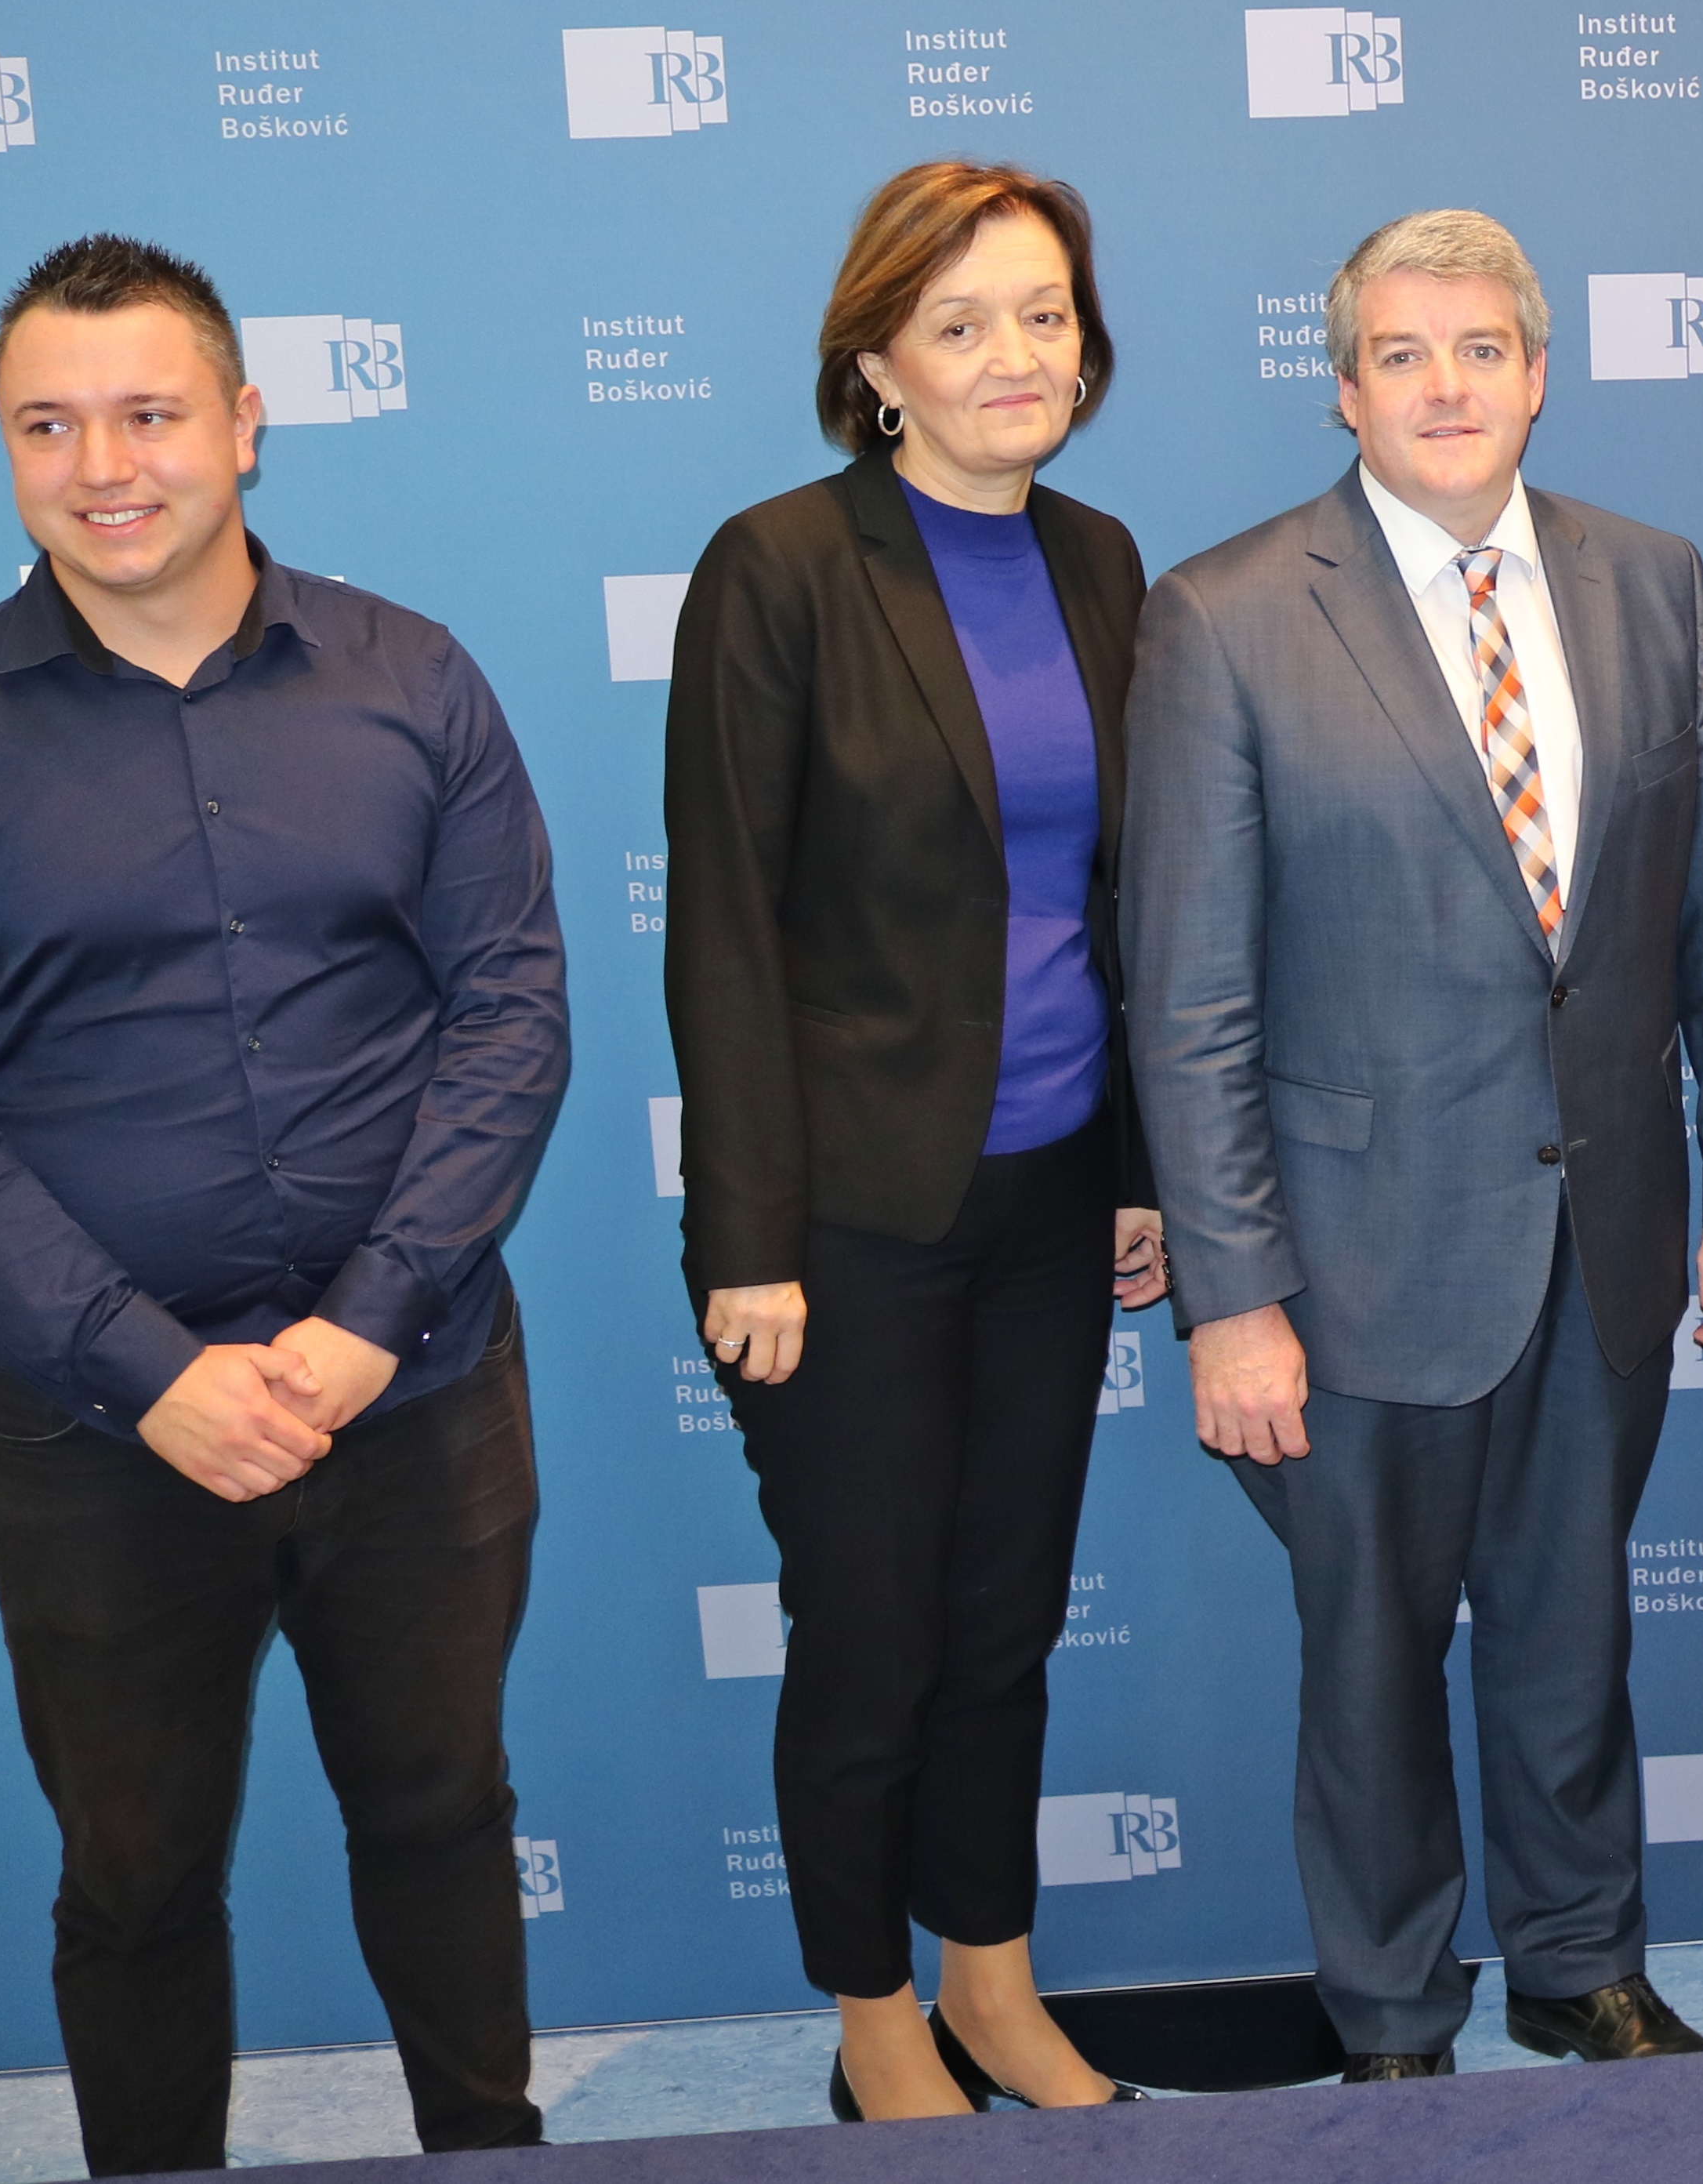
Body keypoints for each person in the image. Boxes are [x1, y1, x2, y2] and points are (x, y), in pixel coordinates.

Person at [0, 236, 569, 2175]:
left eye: (148, 413)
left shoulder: (415, 678)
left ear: (243, 422)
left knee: (442, 1814)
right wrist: (149, 1369)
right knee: (134, 1872)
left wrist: (369, 1319)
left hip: (412, 1392)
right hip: (98, 1431)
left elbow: (509, 1015)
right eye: (47, 424)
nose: (102, 465)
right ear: (5, 444)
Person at [1125, 209, 1703, 2078]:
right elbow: (1190, 999)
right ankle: (1395, 2013)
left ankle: (1582, 1965)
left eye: (1481, 347)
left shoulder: (1652, 581)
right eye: (1402, 354)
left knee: (1575, 1638)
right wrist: (1231, 1297)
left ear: (1539, 372)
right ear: (1344, 387)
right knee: (1369, 1664)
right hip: (1352, 1263)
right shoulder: (1225, 616)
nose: (1446, 386)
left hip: (1607, 1231)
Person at [664, 163, 1165, 2120]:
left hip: (1052, 1197)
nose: (1014, 354)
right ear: (878, 362)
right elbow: (725, 922)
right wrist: (748, 1238)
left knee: (1003, 1622)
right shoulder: (782, 566)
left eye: (1044, 313)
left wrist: (1136, 1172)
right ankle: (875, 2012)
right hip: (847, 1223)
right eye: (960, 323)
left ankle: (995, 1979)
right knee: (870, 1634)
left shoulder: (1104, 559)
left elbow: (1127, 902)